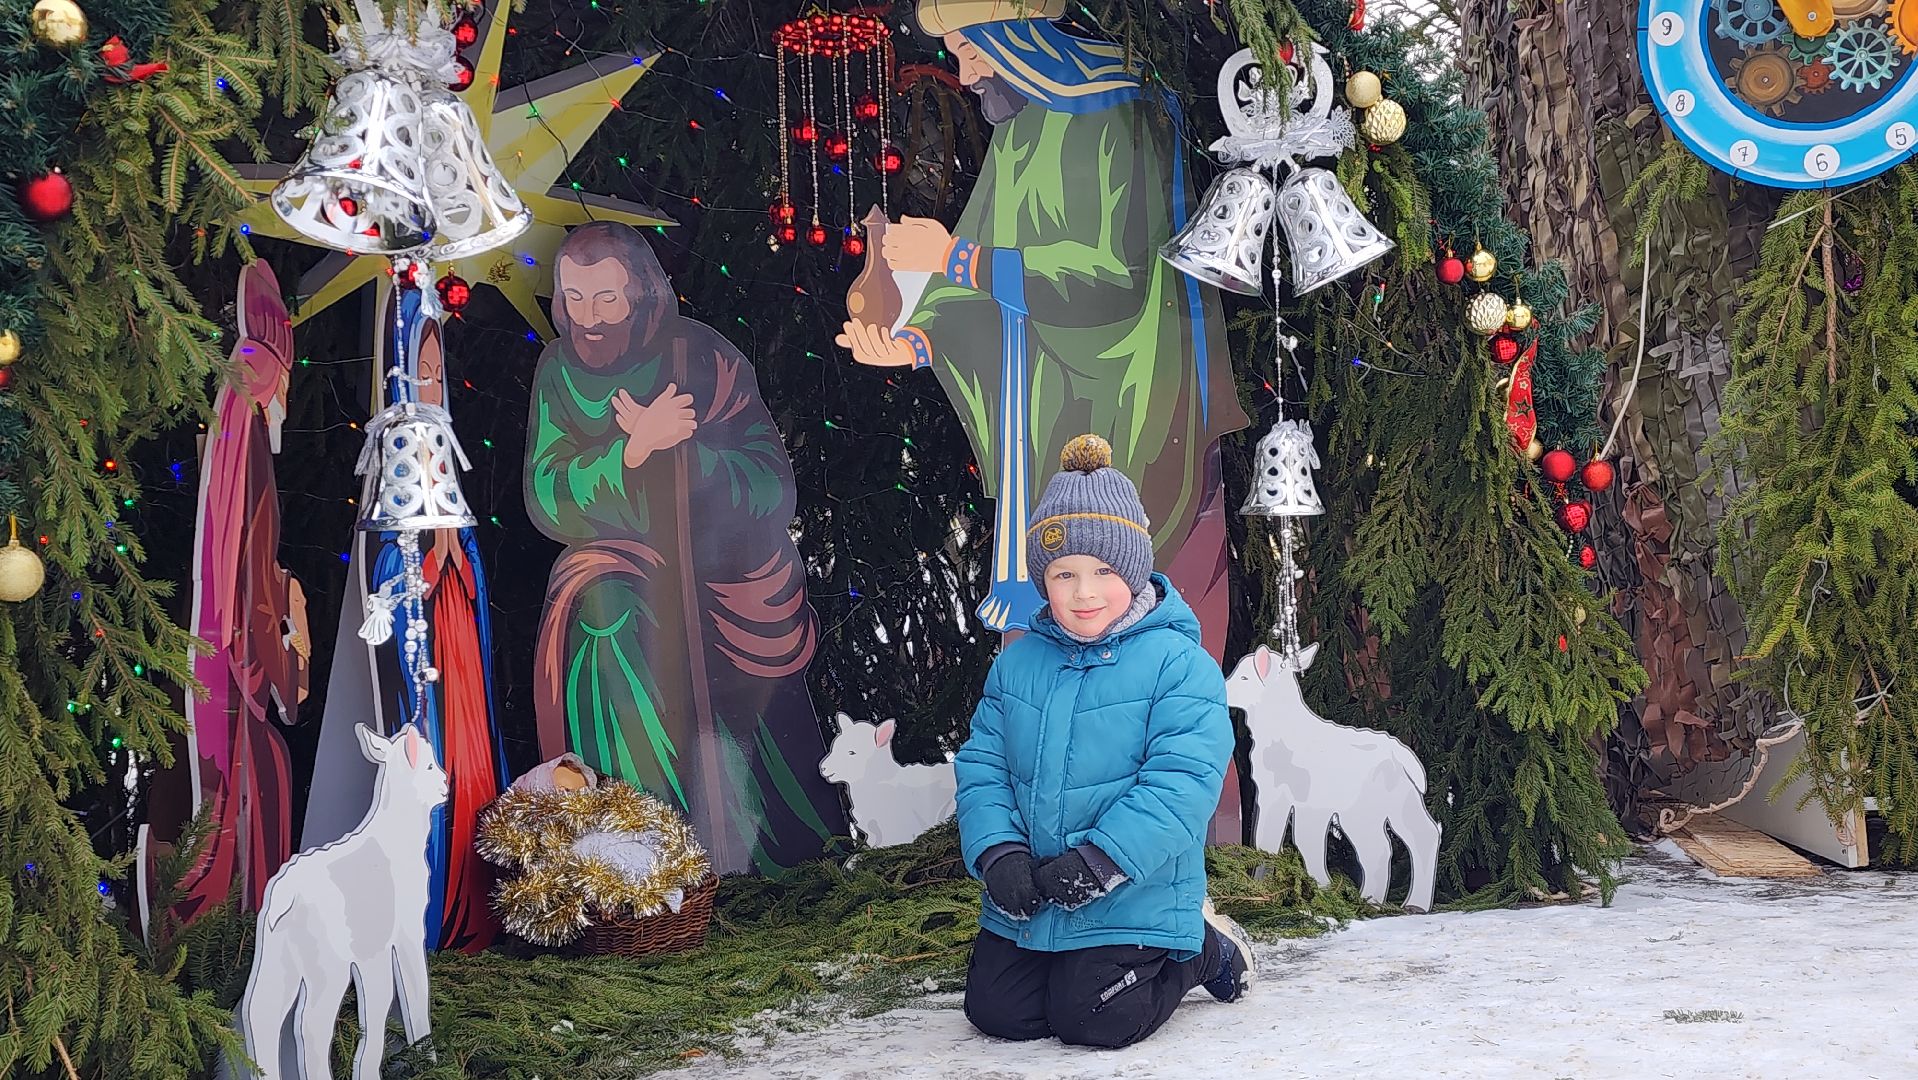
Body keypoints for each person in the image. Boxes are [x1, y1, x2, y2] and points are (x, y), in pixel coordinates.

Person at [836, 0, 1248, 646]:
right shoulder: (1020, 128)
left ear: (1018, 40)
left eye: (973, 52)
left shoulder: (1122, 108)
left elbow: (1114, 280)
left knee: (1149, 630)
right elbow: (978, 273)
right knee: (1047, 636)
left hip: (1142, 403)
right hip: (1045, 419)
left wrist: (957, 258)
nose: (967, 78)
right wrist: (916, 340)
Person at [525, 221, 846, 875]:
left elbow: (770, 483)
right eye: (575, 298)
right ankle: (641, 859)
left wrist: (688, 454)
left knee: (743, 699)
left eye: (606, 298)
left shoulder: (701, 355)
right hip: (618, 576)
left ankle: (770, 861)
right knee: (609, 616)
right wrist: (634, 452)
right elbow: (547, 493)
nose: (589, 319)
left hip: (724, 576)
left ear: (642, 294)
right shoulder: (557, 371)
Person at [954, 435, 1252, 1049]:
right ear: (1043, 580)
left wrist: (1103, 861)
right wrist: (999, 853)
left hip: (1133, 890)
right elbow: (983, 765)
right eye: (1064, 574)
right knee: (997, 1012)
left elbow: (1182, 783)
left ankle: (1202, 950)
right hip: (1040, 892)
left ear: (1134, 572)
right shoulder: (1018, 664)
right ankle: (1067, 965)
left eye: (1103, 572)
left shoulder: (1177, 664)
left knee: (1094, 1017)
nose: (1083, 592)